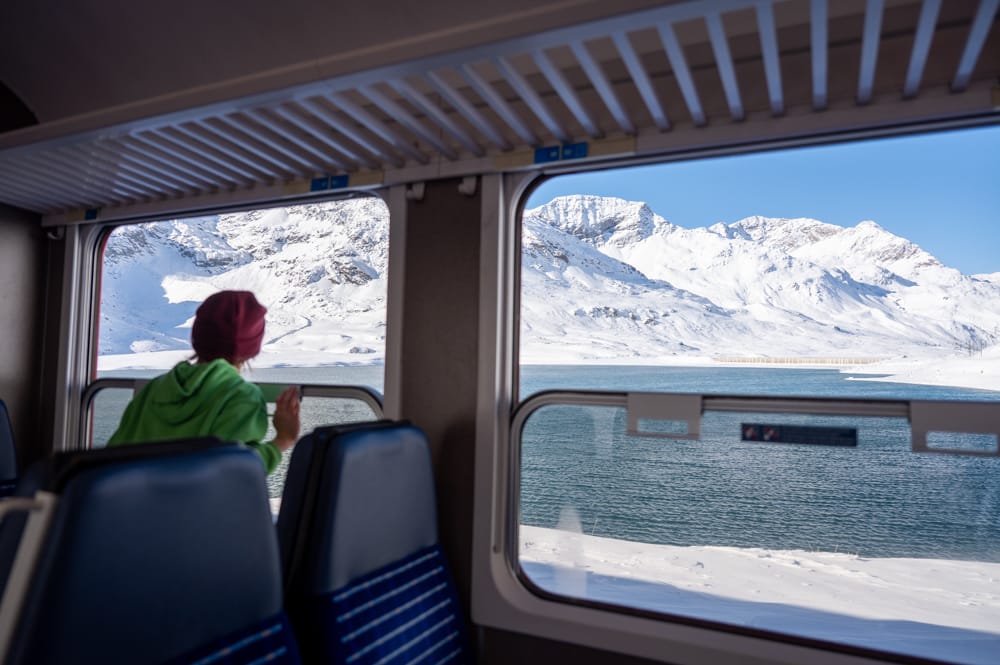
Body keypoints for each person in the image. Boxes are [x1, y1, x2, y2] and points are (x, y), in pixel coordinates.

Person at [107, 290, 300, 474]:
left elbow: (113, 457)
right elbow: (236, 473)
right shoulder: (242, 395)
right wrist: (283, 440)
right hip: (196, 508)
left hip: (131, 505)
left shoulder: (154, 388)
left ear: (196, 337)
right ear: (253, 346)